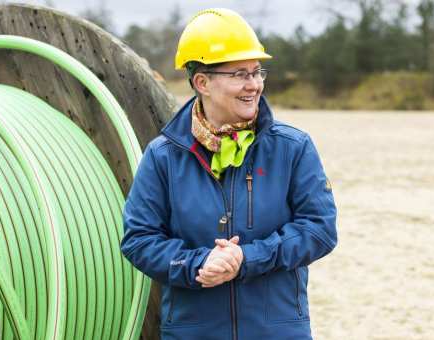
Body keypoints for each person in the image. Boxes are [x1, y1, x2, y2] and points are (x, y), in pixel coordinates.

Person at [120, 8, 338, 340]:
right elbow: (139, 239)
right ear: (202, 82)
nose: (254, 85)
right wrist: (196, 264)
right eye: (239, 74)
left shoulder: (293, 148)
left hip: (277, 332)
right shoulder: (163, 157)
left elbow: (320, 230)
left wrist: (246, 258)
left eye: (257, 72)